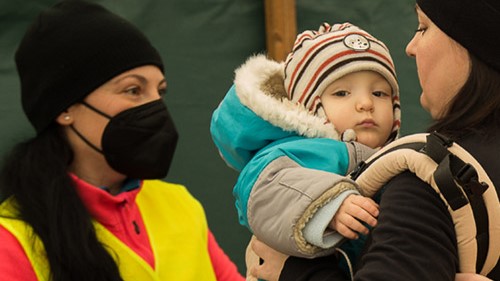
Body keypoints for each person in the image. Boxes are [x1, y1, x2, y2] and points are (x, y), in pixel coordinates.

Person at [248, 0, 500, 280]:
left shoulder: (430, 178)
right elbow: (262, 188)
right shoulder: (292, 156)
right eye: (342, 93)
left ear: (469, 40)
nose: (410, 47)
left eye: (423, 28)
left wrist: (296, 272)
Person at [0, 1, 244, 280]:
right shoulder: (13, 241)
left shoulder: (181, 206)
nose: (156, 107)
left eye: (159, 91)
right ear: (65, 109)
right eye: (133, 89)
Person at [210, 22, 401, 268]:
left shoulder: (399, 156)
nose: (366, 103)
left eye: (380, 94)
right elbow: (264, 189)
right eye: (342, 93)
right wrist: (331, 205)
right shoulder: (297, 150)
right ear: (310, 107)